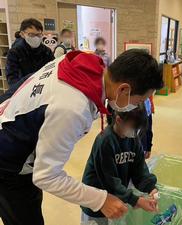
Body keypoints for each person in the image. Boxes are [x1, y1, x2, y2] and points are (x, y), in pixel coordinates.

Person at [0, 49, 164, 225]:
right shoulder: (72, 109)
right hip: (8, 162)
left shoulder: (83, 63)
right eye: (138, 102)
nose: (135, 107)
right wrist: (101, 200)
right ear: (124, 89)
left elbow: (25, 82)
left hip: (11, 129)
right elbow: (46, 176)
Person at [81, 105, 158, 225]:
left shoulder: (133, 139)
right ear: (118, 120)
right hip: (97, 200)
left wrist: (151, 188)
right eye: (133, 127)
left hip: (116, 198)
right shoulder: (105, 141)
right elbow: (110, 181)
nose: (135, 132)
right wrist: (136, 201)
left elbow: (140, 169)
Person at [5, 18, 54, 86]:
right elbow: (12, 79)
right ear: (22, 34)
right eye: (31, 35)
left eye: (39, 35)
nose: (36, 38)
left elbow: (53, 70)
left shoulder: (46, 51)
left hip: (42, 87)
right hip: (23, 90)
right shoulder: (14, 52)